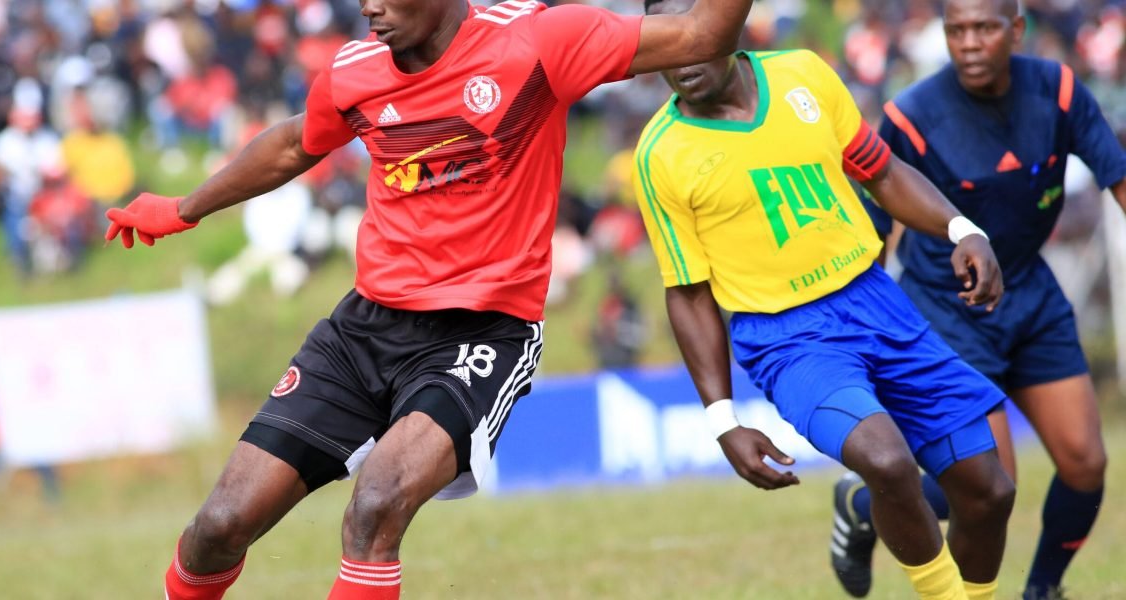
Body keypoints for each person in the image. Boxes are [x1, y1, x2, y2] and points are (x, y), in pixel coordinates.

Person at [103, 0, 757, 597]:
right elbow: (293, 145)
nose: (370, 8)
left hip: (482, 332)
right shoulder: (355, 70)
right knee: (219, 525)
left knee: (376, 503)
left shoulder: (538, 41)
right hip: (363, 329)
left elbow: (703, 34)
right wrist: (183, 208)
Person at [633, 0, 1018, 597]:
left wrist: (962, 230)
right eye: (663, 42)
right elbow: (687, 292)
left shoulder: (803, 74)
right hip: (787, 338)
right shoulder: (660, 154)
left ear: (728, 23)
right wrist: (722, 419)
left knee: (989, 492)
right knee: (886, 461)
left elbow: (882, 173)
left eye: (691, 34)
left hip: (876, 302)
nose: (680, 55)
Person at [831, 1, 1126, 599]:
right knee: (989, 486)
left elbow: (1116, 177)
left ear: (1016, 30)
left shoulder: (1059, 92)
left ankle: (1042, 589)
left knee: (1086, 463)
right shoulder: (911, 115)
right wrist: (860, 332)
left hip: (1032, 295)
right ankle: (862, 504)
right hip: (945, 311)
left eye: (985, 28)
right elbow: (871, 231)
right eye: (956, 29)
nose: (969, 42)